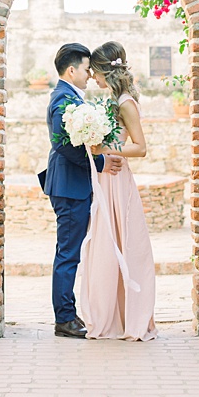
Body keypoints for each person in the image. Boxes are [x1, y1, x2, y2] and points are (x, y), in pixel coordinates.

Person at [40, 42, 123, 339]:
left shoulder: (71, 97)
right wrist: (99, 162)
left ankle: (68, 314)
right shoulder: (62, 99)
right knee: (68, 254)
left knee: (70, 252)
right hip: (69, 187)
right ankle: (64, 318)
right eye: (87, 69)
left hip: (73, 185)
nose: (90, 75)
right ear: (72, 70)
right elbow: (62, 145)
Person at [81, 41, 158, 341]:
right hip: (106, 177)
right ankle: (110, 315)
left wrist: (105, 147)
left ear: (105, 71)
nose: (92, 78)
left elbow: (140, 147)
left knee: (125, 244)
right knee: (104, 247)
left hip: (118, 179)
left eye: (95, 72)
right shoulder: (113, 99)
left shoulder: (125, 102)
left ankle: (131, 318)